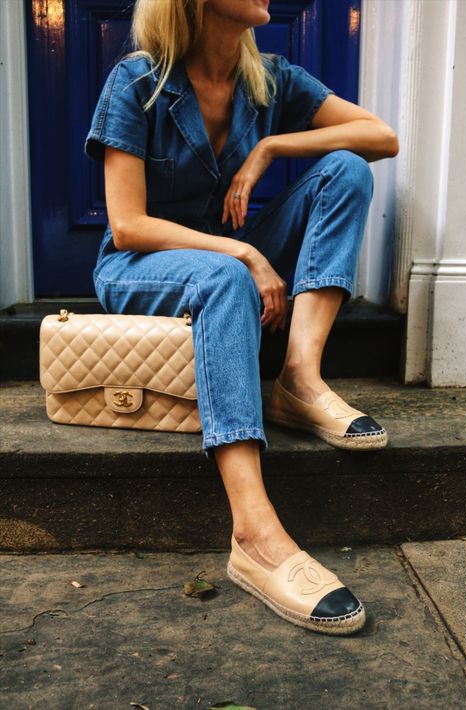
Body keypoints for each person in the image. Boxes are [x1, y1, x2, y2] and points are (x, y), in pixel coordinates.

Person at [84, 0, 399, 635]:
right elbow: (127, 225)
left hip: (231, 256)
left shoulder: (271, 78)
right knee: (227, 274)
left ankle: (299, 380)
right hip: (145, 264)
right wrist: (243, 250)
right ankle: (254, 535)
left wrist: (274, 147)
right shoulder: (138, 81)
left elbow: (381, 137)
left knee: (343, 170)